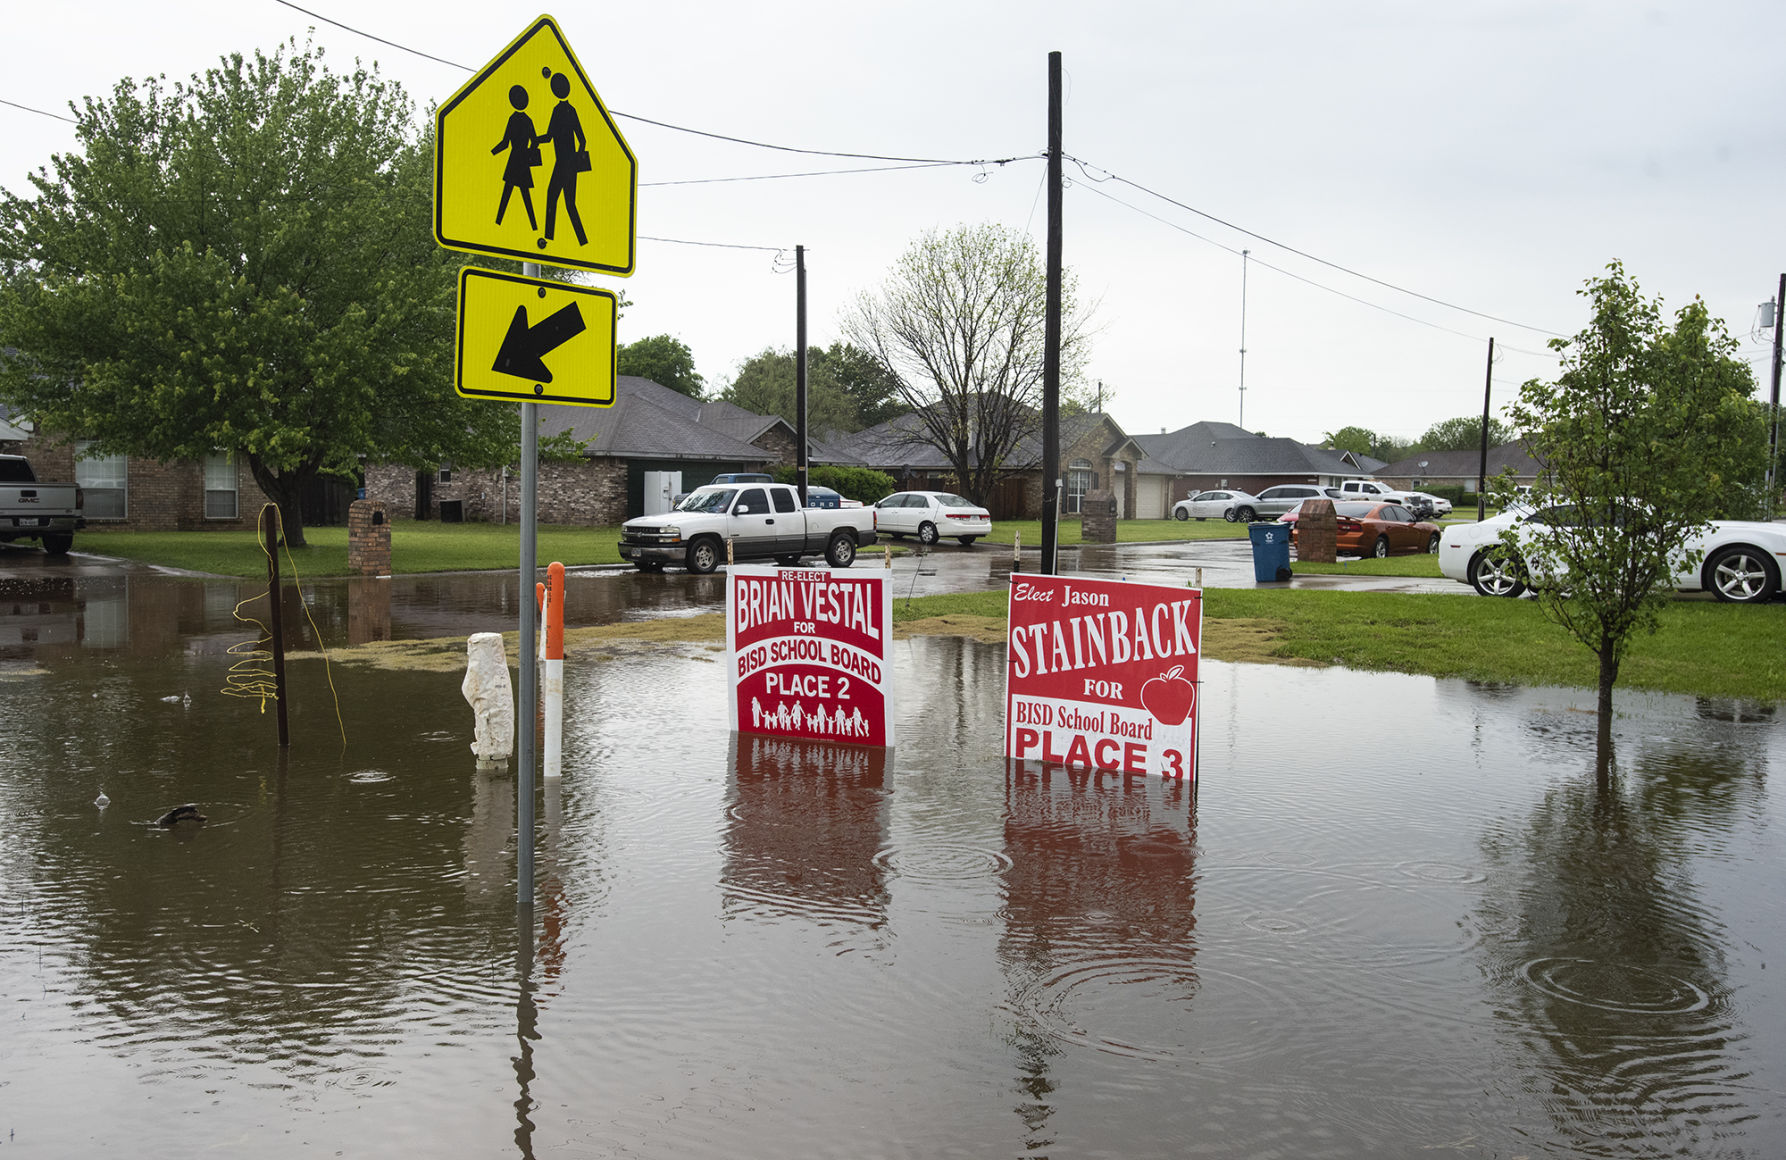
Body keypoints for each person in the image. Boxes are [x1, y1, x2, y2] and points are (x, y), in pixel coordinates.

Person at [540, 72, 588, 246]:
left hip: (562, 163)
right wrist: (576, 159)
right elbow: (582, 140)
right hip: (570, 165)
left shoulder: (558, 110)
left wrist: (535, 139)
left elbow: (549, 136)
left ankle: (548, 238)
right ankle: (582, 240)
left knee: (552, 196)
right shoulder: (571, 110)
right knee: (570, 203)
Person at [491, 84, 539, 230]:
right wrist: (529, 153)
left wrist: (492, 152)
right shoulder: (528, 120)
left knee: (508, 193)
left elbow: (505, 143)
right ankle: (534, 226)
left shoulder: (513, 119)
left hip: (514, 160)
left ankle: (498, 222)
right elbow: (535, 141)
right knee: (524, 195)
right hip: (523, 161)